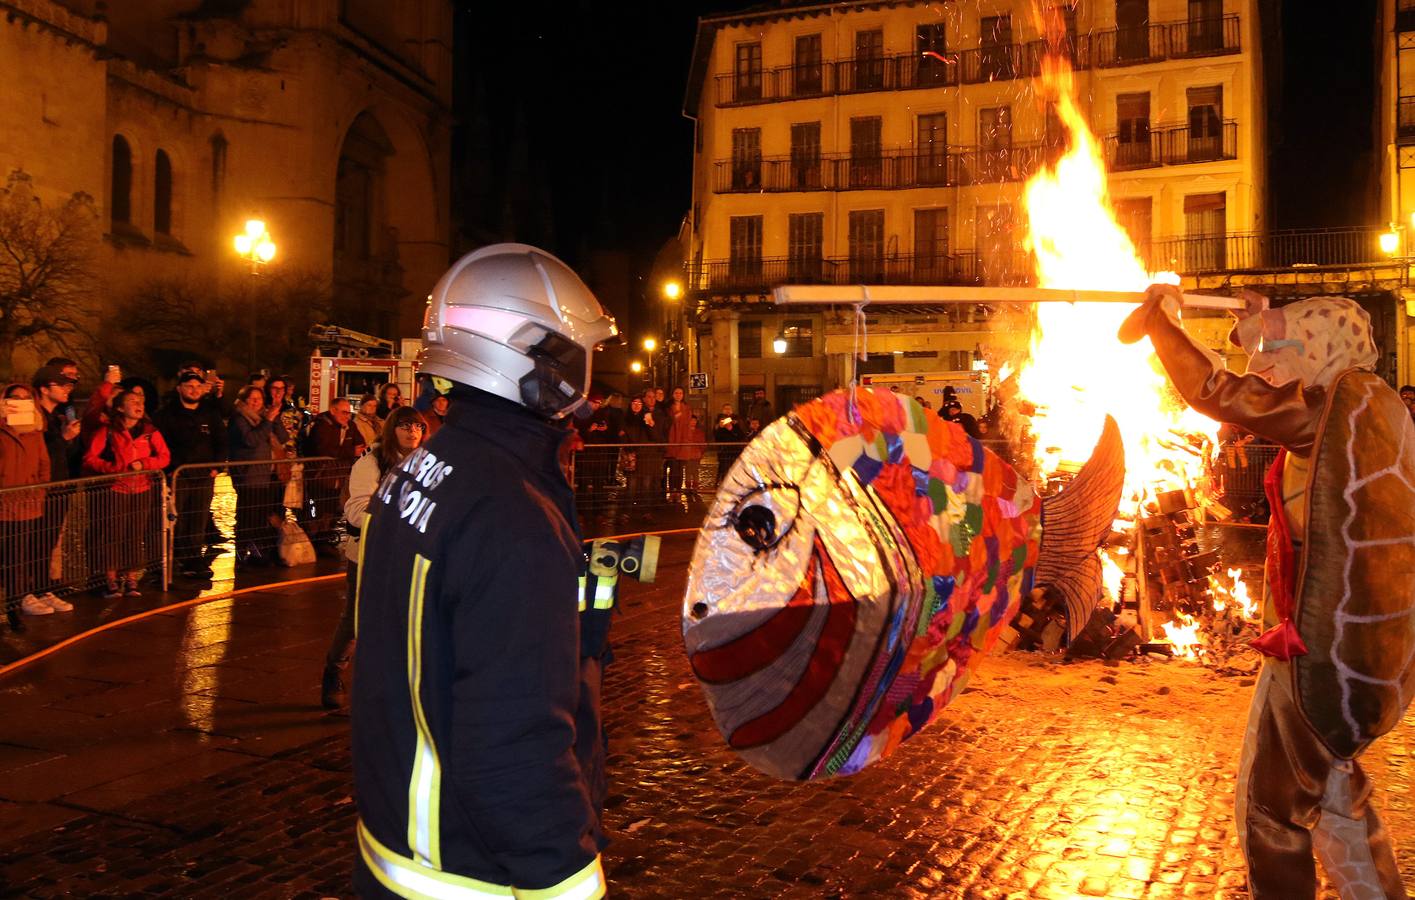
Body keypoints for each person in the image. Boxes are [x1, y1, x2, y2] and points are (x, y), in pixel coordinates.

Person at [1120, 285, 1414, 899]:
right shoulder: (1378, 405)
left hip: (1318, 658)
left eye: (1281, 345)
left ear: (1322, 352)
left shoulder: (1329, 411)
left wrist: (1162, 327)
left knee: (1270, 813)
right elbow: (1260, 371)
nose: (1261, 359)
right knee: (1337, 800)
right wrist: (1258, 323)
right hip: (1357, 659)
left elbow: (1219, 392)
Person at [352, 243, 614, 899]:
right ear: (542, 360)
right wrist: (571, 884)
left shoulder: (424, 467)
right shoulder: (509, 512)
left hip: (397, 846)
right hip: (470, 871)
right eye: (582, 352)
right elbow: (514, 742)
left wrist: (583, 609)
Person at [321, 405, 427, 710]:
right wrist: (401, 516)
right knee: (356, 619)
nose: (412, 432)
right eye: (406, 426)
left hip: (412, 555)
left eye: (418, 426)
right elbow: (356, 512)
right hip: (371, 553)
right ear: (392, 429)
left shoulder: (427, 464)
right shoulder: (371, 463)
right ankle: (334, 671)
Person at [82, 389, 170, 598]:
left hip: (142, 488)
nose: (138, 405)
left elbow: (164, 456)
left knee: (135, 533)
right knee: (113, 533)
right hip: (117, 489)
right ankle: (110, 579)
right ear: (120, 408)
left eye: (141, 401)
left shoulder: (150, 431)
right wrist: (114, 468)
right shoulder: (108, 431)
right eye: (132, 401)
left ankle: (131, 578)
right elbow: (90, 458)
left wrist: (146, 464)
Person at [154, 371, 226, 579]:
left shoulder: (210, 413)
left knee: (199, 517)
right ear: (179, 389)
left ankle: (194, 557)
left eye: (197, 387)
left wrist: (217, 466)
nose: (193, 391)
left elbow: (221, 440)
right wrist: (169, 470)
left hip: (204, 475)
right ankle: (174, 558)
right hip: (178, 475)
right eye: (189, 387)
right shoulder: (166, 415)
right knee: (177, 519)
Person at [1, 384, 55, 625]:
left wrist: (39, 491)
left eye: (25, 398)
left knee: (18, 556)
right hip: (3, 503)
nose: (20, 401)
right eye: (15, 397)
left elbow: (44, 464)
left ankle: (13, 605)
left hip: (26, 503)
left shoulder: (35, 431)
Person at [30, 364, 81, 608]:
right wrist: (63, 439)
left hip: (60, 485)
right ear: (43, 388)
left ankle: (44, 588)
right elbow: (36, 453)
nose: (66, 389)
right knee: (35, 541)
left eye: (68, 384)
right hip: (41, 488)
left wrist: (68, 440)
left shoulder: (56, 416)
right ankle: (27, 593)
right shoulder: (33, 417)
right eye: (61, 385)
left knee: (49, 541)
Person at [227, 384, 287, 567]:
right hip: (247, 475)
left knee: (259, 516)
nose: (256, 403)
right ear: (244, 401)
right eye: (252, 399)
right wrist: (268, 421)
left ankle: (257, 552)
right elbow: (251, 440)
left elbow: (282, 437)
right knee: (247, 516)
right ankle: (240, 555)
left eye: (259, 399)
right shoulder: (239, 418)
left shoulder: (263, 418)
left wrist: (274, 418)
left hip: (264, 474)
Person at [302, 397, 362, 551]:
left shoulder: (350, 426)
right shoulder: (321, 426)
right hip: (320, 475)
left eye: (349, 413)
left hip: (338, 475)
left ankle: (325, 536)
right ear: (333, 411)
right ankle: (316, 538)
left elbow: (360, 443)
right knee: (318, 507)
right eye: (343, 413)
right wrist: (350, 451)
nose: (347, 416)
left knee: (333, 507)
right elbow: (323, 449)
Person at [664, 386, 694, 498]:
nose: (678, 395)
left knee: (680, 468)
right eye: (676, 393)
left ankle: (678, 490)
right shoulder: (668, 407)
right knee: (673, 467)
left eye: (680, 393)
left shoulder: (686, 407)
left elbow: (688, 423)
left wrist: (687, 439)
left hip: (683, 440)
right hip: (672, 440)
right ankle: (672, 490)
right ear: (672, 394)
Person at [712, 403, 746, 484]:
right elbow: (715, 435)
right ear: (722, 410)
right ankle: (722, 483)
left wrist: (732, 429)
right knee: (723, 468)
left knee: (735, 467)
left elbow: (741, 434)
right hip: (723, 449)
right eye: (725, 409)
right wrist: (719, 427)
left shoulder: (737, 420)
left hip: (735, 449)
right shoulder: (718, 420)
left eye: (729, 409)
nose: (727, 411)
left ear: (732, 410)